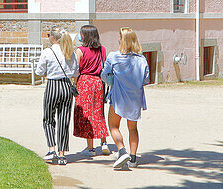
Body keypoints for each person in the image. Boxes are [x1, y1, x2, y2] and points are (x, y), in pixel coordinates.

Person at [101, 27, 150, 170]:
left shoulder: (113, 56)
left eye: (119, 36)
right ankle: (133, 158)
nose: (118, 38)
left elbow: (104, 75)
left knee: (113, 126)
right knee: (133, 128)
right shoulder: (142, 59)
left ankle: (122, 151)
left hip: (119, 97)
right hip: (135, 98)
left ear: (123, 40)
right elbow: (145, 79)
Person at [34, 26, 78, 165]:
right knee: (64, 120)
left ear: (52, 37)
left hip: (53, 85)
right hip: (66, 86)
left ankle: (51, 148)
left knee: (48, 118)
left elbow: (39, 71)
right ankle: (62, 154)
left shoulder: (48, 51)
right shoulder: (70, 51)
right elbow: (75, 72)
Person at [73, 25, 111, 158]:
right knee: (98, 112)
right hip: (97, 82)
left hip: (85, 82)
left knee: (87, 114)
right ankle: (104, 142)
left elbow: (76, 69)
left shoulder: (80, 50)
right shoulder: (102, 50)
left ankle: (90, 148)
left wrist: (74, 82)